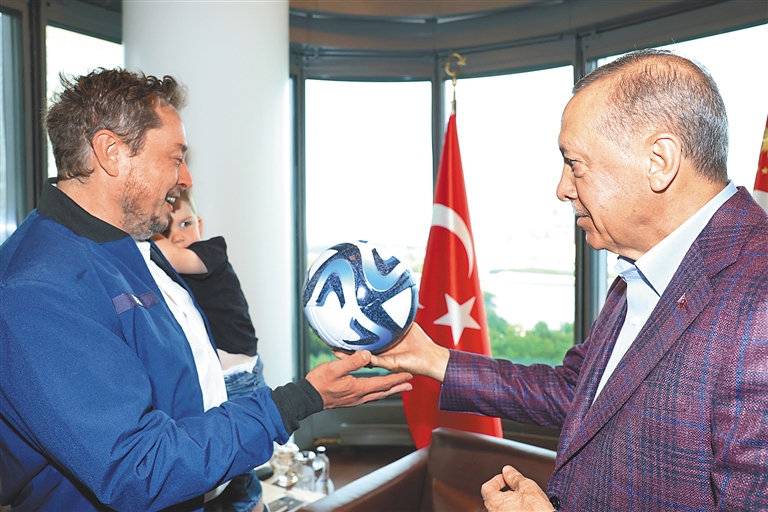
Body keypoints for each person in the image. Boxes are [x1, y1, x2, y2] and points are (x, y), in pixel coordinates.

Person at [371, 48, 768, 511]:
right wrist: (433, 358)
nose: (562, 188)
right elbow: (579, 393)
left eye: (575, 163)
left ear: (659, 160)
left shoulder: (758, 299)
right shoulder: (642, 269)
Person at [0, 68, 413, 512]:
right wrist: (295, 402)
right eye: (175, 157)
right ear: (111, 152)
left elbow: (186, 393)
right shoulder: (37, 289)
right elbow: (139, 469)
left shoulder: (130, 247)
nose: (186, 179)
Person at [154, 188, 269, 512]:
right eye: (167, 228)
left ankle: (253, 504)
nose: (178, 235)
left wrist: (147, 232)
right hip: (219, 378)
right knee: (226, 460)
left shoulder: (210, 252)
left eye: (185, 224)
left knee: (235, 461)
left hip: (238, 377)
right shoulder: (169, 275)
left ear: (200, 224)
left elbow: (169, 254)